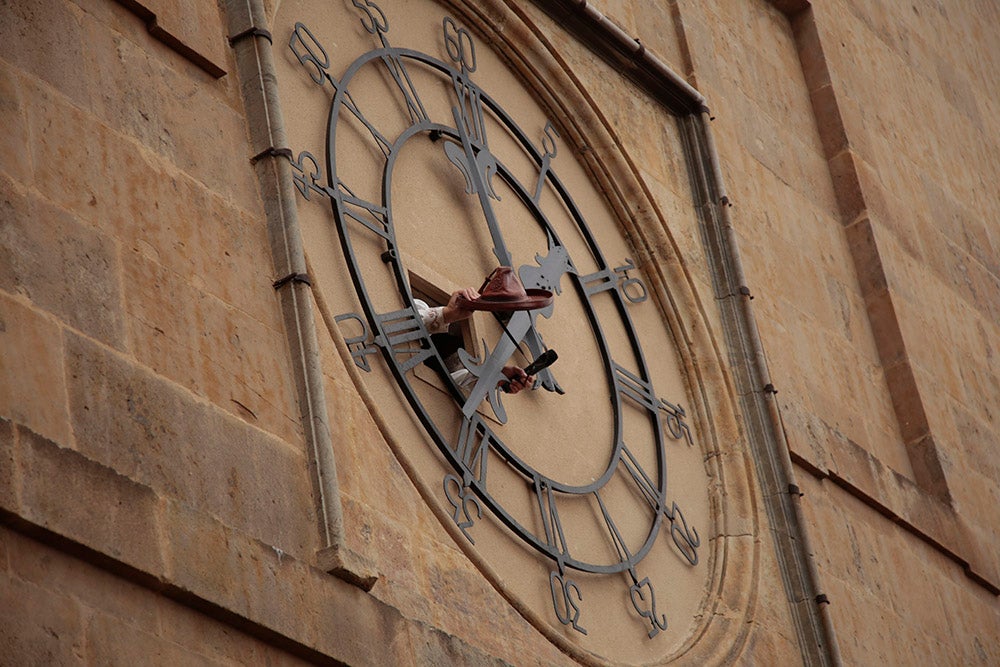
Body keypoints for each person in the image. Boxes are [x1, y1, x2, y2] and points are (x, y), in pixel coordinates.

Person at [414, 288, 535, 394]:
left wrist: (496, 376)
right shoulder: (417, 306)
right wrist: (447, 314)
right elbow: (403, 323)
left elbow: (453, 386)